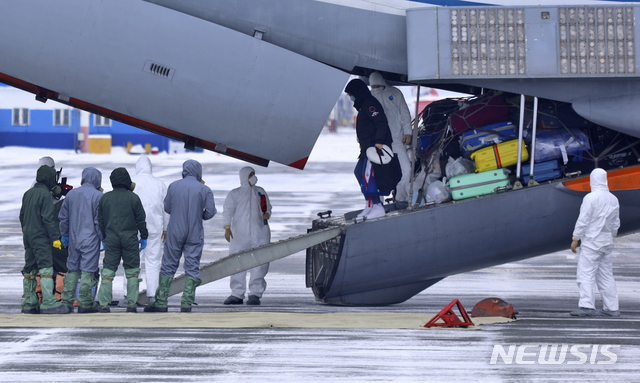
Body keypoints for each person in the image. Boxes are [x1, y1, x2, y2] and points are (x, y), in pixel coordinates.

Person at [144, 160, 216, 313]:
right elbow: (210, 211)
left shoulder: (174, 186)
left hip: (175, 230)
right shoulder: (204, 189)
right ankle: (186, 303)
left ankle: (161, 301)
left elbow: (167, 207)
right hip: (195, 231)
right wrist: (199, 215)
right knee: (192, 265)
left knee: (169, 264)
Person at [570, 168, 621, 317]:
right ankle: (612, 308)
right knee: (606, 276)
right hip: (606, 243)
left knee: (585, 274)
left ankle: (587, 306)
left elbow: (583, 221)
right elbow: (615, 224)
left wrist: (575, 238)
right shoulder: (613, 199)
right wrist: (611, 238)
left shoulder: (590, 198)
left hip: (592, 243)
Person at [19, 165, 70, 314]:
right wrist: (55, 238)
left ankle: (29, 302)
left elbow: (22, 216)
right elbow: (48, 219)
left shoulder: (28, 193)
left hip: (28, 237)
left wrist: (27, 231)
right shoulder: (45, 195)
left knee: (30, 268)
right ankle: (49, 302)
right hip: (41, 238)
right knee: (46, 267)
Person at [96, 168, 148, 313]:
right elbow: (141, 219)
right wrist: (144, 236)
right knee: (132, 272)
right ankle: (131, 304)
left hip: (111, 238)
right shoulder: (133, 198)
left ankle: (104, 304)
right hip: (130, 239)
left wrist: (104, 236)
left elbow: (100, 220)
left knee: (108, 271)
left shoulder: (105, 198)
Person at [344, 78, 394, 220]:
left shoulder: (370, 104)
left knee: (369, 177)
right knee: (359, 172)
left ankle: (377, 206)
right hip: (367, 148)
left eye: (350, 94)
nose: (350, 97)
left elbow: (381, 123)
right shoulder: (364, 105)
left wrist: (379, 142)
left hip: (375, 148)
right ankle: (370, 204)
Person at [222, 167, 272, 306]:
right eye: (250, 174)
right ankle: (237, 294)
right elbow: (227, 211)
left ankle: (255, 293)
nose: (253, 177)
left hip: (260, 233)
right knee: (237, 262)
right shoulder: (235, 194)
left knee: (260, 262)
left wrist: (267, 213)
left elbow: (268, 207)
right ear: (244, 176)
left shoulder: (260, 191)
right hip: (239, 235)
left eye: (254, 174)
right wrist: (227, 227)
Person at [58, 167, 104, 313]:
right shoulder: (98, 196)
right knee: (88, 271)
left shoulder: (71, 195)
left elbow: (63, 218)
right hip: (90, 239)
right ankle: (85, 302)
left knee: (72, 269)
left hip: (73, 238)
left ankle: (67, 301)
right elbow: (98, 221)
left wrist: (65, 235)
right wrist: (103, 238)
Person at [129, 156, 169, 305]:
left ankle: (130, 295)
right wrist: (165, 228)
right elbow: (166, 209)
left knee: (133, 261)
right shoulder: (160, 184)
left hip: (133, 229)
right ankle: (152, 295)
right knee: (153, 262)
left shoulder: (131, 182)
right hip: (154, 228)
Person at [369, 72, 413, 204]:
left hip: (397, 140)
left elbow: (405, 114)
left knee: (406, 170)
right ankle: (378, 204)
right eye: (373, 86)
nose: (376, 88)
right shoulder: (369, 98)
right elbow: (363, 124)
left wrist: (408, 132)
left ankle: (400, 198)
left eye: (378, 85)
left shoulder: (395, 93)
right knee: (380, 174)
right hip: (379, 144)